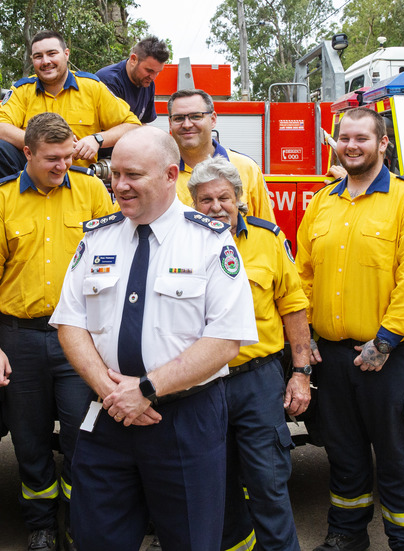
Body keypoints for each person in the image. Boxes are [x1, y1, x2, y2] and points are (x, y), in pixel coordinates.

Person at [50, 125, 258, 550]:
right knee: (95, 538)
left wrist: (146, 389)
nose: (120, 186)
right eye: (116, 174)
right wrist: (111, 390)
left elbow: (226, 339)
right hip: (108, 412)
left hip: (184, 419)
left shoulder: (211, 242)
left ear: (170, 174)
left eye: (133, 176)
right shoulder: (97, 238)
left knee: (190, 539)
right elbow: (70, 321)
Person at [295, 107, 404, 551]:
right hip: (333, 356)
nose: (351, 145)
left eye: (362, 138)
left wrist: (383, 342)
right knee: (344, 453)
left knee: (397, 458)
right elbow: (302, 276)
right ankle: (346, 534)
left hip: (389, 356)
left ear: (383, 144)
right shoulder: (323, 202)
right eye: (344, 137)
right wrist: (304, 341)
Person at [0, 112, 116, 550]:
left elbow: (116, 261)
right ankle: (40, 525)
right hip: (21, 339)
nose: (62, 166)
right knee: (30, 439)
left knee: (83, 437)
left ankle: (78, 523)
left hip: (80, 338)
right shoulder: (0, 200)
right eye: (51, 159)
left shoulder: (92, 191)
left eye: (67, 157)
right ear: (27, 153)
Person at [188, 156, 312, 551]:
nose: (215, 206)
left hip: (257, 381)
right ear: (192, 203)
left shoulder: (268, 238)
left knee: (268, 484)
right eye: (205, 200)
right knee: (213, 488)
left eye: (224, 197)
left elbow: (293, 305)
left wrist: (301, 372)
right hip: (200, 383)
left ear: (239, 198)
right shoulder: (179, 243)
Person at [0, 30, 140, 188]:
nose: (45, 61)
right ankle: (2, 208)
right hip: (31, 181)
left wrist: (97, 139)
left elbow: (133, 126)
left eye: (52, 54)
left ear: (66, 54)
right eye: (38, 56)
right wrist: (46, 144)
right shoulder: (22, 90)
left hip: (76, 180)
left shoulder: (92, 88)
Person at [167, 89, 277, 223]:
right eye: (178, 118)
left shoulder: (247, 168)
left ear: (213, 119)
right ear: (170, 123)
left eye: (196, 116)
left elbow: (265, 231)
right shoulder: (161, 172)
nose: (187, 124)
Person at [95, 36, 169, 125]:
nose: (153, 77)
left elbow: (143, 123)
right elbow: (115, 128)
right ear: (133, 59)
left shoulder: (147, 83)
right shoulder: (109, 81)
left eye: (157, 72)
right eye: (149, 70)